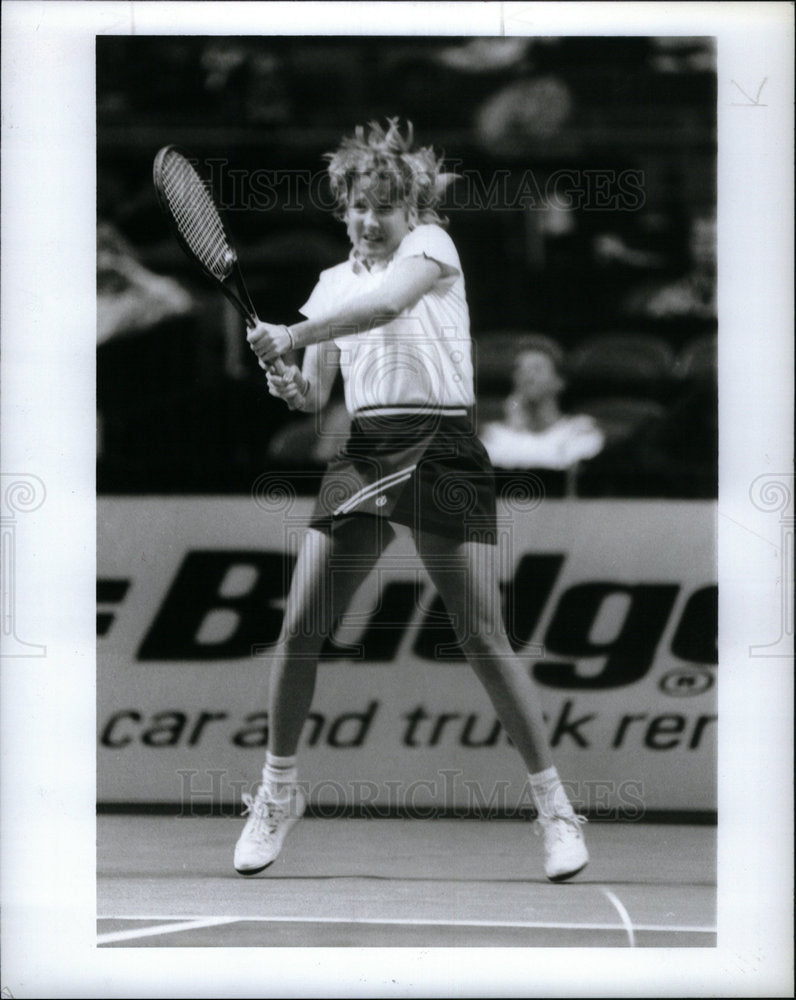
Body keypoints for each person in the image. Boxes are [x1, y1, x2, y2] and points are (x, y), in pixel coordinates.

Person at [238, 119, 588, 882]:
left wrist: (290, 335)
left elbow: (387, 308)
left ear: (412, 210)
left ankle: (555, 811)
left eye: (385, 209)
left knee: (482, 637)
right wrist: (289, 376)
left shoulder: (432, 248)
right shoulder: (331, 284)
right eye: (359, 207)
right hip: (365, 452)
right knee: (299, 627)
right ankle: (276, 792)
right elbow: (317, 396)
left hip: (442, 446)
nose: (370, 221)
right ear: (344, 206)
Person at [478, 336, 605, 471]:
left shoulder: (580, 430)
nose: (527, 377)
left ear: (559, 382)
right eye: (520, 370)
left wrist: (515, 439)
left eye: (537, 369)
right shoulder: (493, 434)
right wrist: (515, 429)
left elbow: (562, 467)